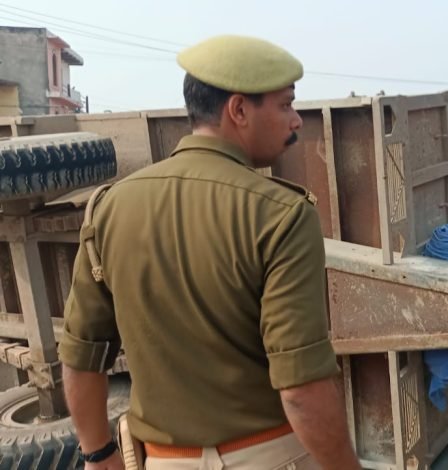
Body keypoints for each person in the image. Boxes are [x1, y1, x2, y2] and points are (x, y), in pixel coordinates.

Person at [59, 35, 362, 470]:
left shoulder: (110, 206)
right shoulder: (281, 214)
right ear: (238, 110)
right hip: (271, 458)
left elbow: (81, 352)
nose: (296, 120)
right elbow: (301, 389)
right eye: (285, 105)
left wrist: (98, 453)